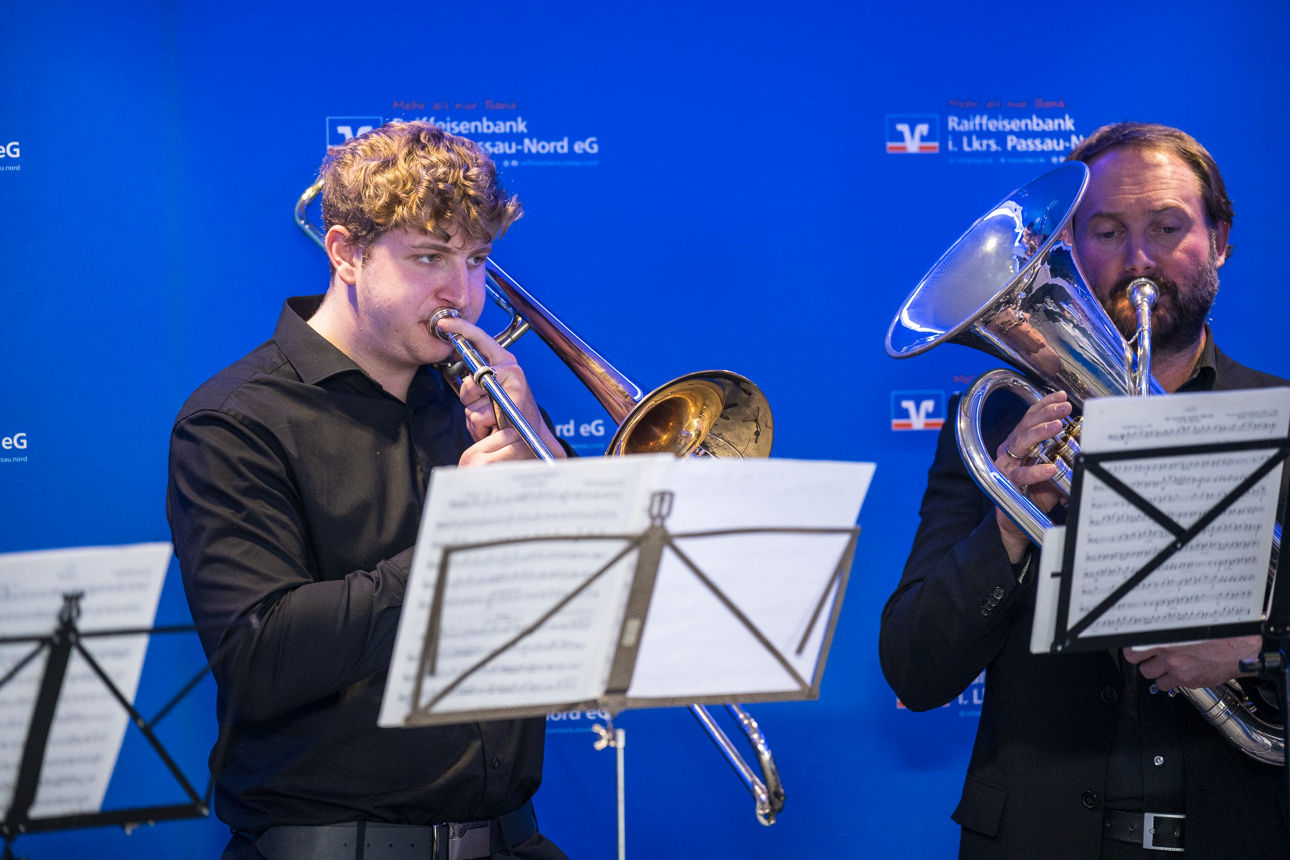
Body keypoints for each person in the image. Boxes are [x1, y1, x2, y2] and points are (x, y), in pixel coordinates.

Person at [879, 122, 1290, 858]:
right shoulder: (1002, 426)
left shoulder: (1281, 415)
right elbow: (915, 667)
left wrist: (1254, 655)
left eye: (1168, 227)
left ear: (1221, 239)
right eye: (1106, 230)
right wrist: (1005, 526)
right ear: (1068, 243)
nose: (1139, 260)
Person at [167, 120, 568, 860]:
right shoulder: (236, 419)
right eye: (429, 258)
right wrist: (457, 545)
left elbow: (594, 604)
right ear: (346, 253)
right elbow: (262, 657)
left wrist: (540, 442)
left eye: (478, 259)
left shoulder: (476, 406)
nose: (464, 292)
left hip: (513, 842)